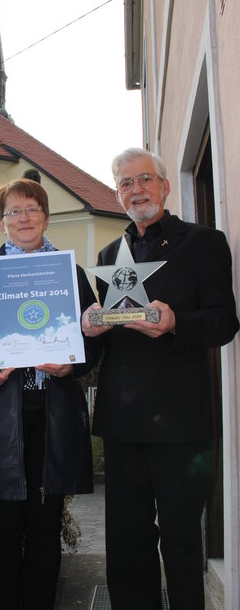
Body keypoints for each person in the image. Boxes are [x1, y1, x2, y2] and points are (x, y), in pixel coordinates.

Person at [81, 148, 239, 610]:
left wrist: (175, 324)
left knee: (182, 542)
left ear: (165, 186)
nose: (136, 190)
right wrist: (90, 328)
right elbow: (106, 340)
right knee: (126, 545)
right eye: (125, 184)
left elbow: (224, 322)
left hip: (181, 425)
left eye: (144, 179)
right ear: (118, 194)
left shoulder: (204, 242)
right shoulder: (110, 255)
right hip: (122, 422)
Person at [0, 178, 98, 610]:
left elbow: (93, 342)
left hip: (53, 420)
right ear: (1, 222)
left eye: (32, 209)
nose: (24, 218)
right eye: (14, 211)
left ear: (46, 217)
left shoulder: (71, 273)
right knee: (4, 530)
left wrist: (73, 365)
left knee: (45, 530)